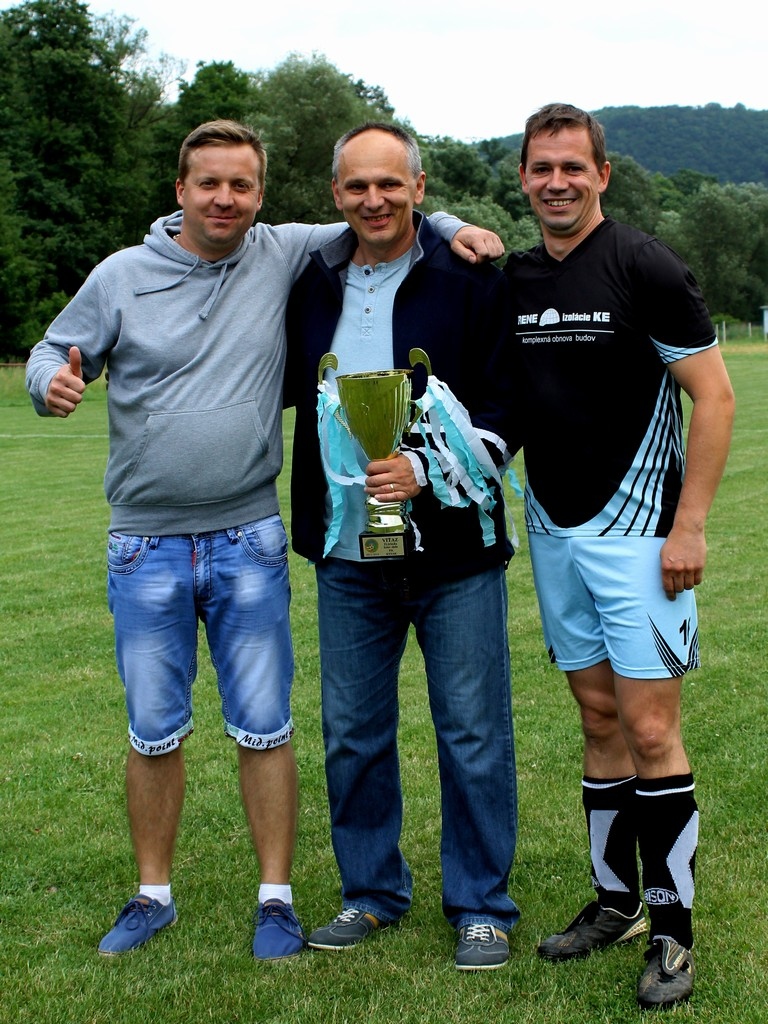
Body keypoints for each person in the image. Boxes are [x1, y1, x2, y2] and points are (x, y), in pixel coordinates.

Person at [24, 119, 502, 962]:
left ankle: (405, 904)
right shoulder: (161, 273)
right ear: (180, 189)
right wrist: (48, 384)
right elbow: (51, 353)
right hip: (200, 543)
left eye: (241, 185)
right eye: (208, 183)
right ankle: (293, 894)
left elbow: (393, 217)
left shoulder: (320, 256)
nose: (225, 198)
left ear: (261, 195)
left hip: (323, 541)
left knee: (359, 731)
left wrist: (454, 225)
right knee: (266, 732)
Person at [502, 103, 735, 1008]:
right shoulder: (520, 277)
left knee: (650, 730)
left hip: (642, 536)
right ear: (524, 177)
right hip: (553, 532)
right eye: (541, 167)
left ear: (602, 174)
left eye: (573, 166)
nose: (556, 182)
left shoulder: (645, 264)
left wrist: (691, 525)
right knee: (598, 718)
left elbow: (713, 397)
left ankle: (674, 933)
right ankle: (617, 903)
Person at [285, 122, 519, 971]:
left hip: (455, 550)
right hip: (348, 551)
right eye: (357, 186)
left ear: (420, 188)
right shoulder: (309, 281)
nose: (374, 200)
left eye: (391, 183)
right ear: (336, 195)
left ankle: (482, 906)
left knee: (473, 734)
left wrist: (427, 467)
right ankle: (371, 892)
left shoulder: (470, 276)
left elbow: (508, 403)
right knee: (351, 733)